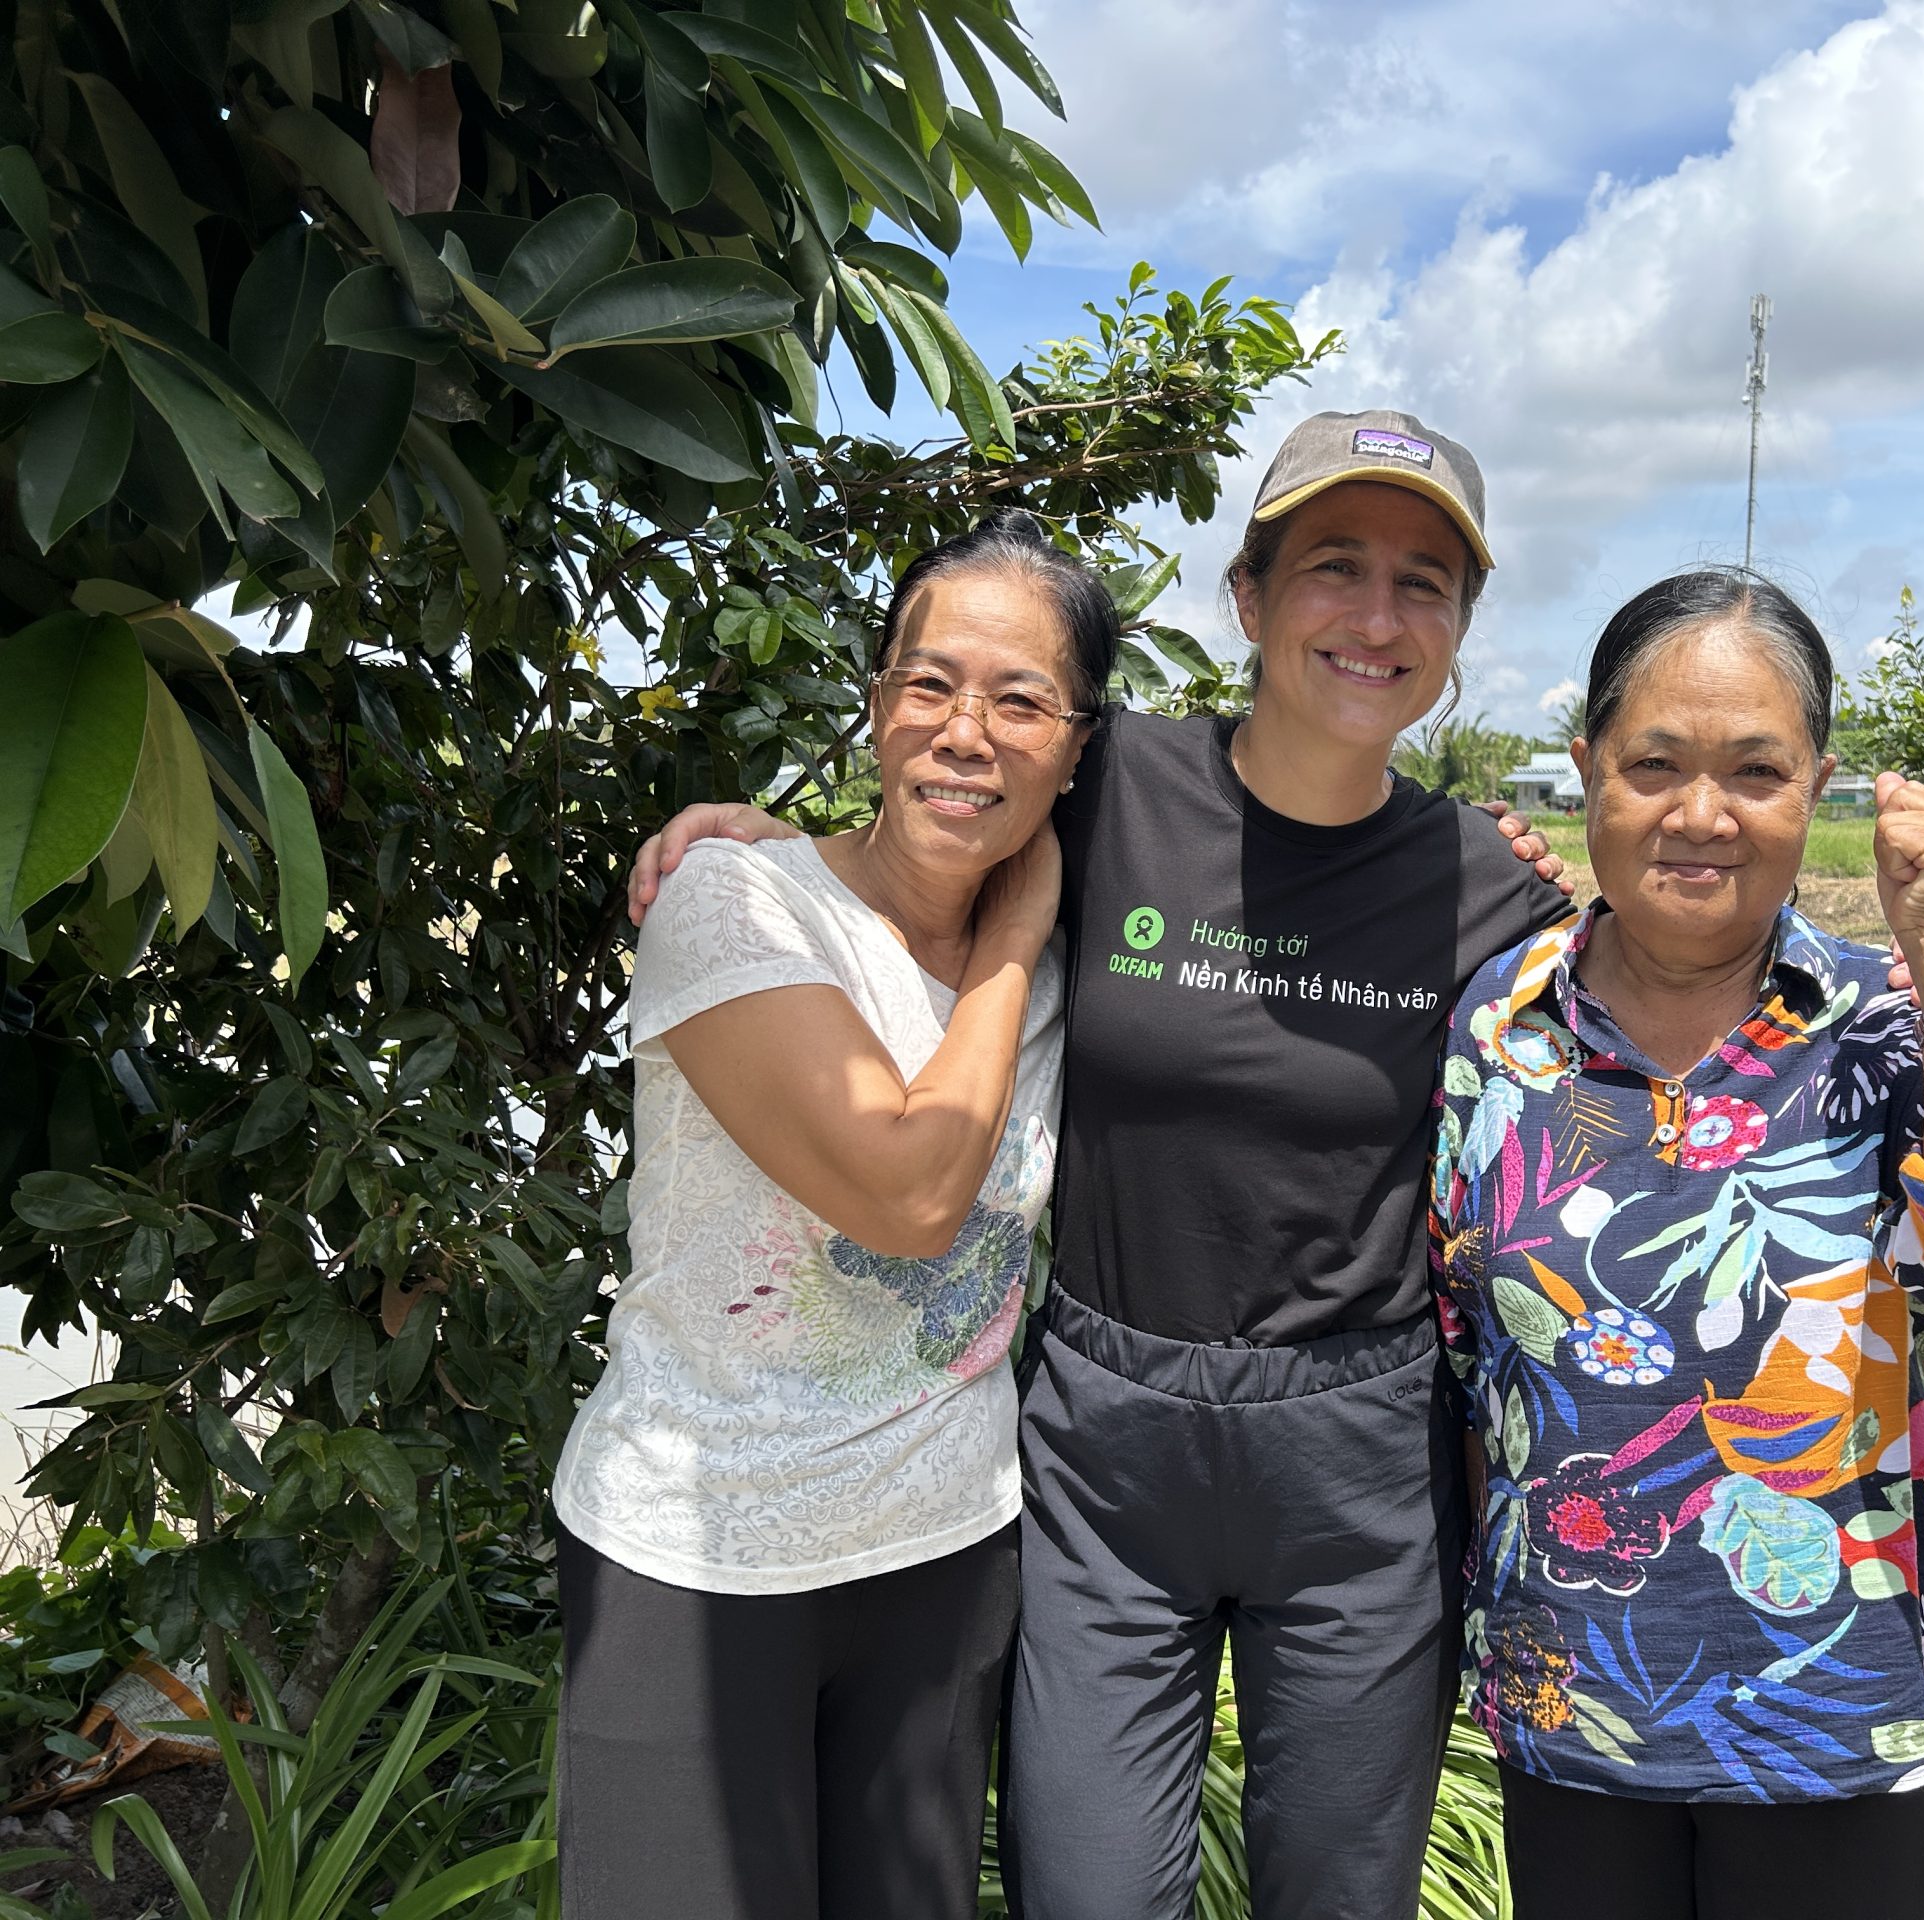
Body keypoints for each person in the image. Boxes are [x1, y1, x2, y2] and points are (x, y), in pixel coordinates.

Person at [624, 410, 1578, 1920]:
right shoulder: (1110, 782)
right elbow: (933, 813)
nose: (1377, 616)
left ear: (1460, 629)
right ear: (1251, 599)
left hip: (1358, 1460)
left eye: (1426, 583)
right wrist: (757, 844)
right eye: (1335, 565)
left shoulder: (1491, 889)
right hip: (1104, 1446)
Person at [1430, 568, 1924, 1920]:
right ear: (1588, 773)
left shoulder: (1881, 1017)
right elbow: (1463, 1352)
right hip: (1572, 1699)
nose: (1701, 815)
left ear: (1818, 789)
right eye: (1655, 764)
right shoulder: (1500, 1026)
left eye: (1755, 770)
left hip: (1836, 1717)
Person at [551, 509, 1117, 1920]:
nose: (966, 731)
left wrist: (1493, 857)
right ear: (874, 705)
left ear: (1080, 744)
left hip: (944, 1557)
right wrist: (1015, 939)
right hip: (696, 1561)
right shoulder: (739, 901)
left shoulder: (1083, 934)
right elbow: (913, 1189)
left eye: (1022, 699)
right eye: (928, 684)